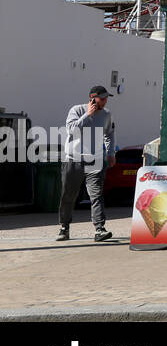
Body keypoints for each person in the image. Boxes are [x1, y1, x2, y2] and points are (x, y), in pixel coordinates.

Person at [57, 85, 117, 242]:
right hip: (73, 159)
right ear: (92, 98)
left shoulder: (106, 114)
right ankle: (64, 227)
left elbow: (109, 134)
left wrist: (110, 153)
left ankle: (99, 229)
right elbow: (71, 130)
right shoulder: (76, 110)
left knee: (96, 195)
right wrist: (87, 115)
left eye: (106, 98)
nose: (105, 101)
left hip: (95, 160)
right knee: (68, 195)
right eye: (102, 98)